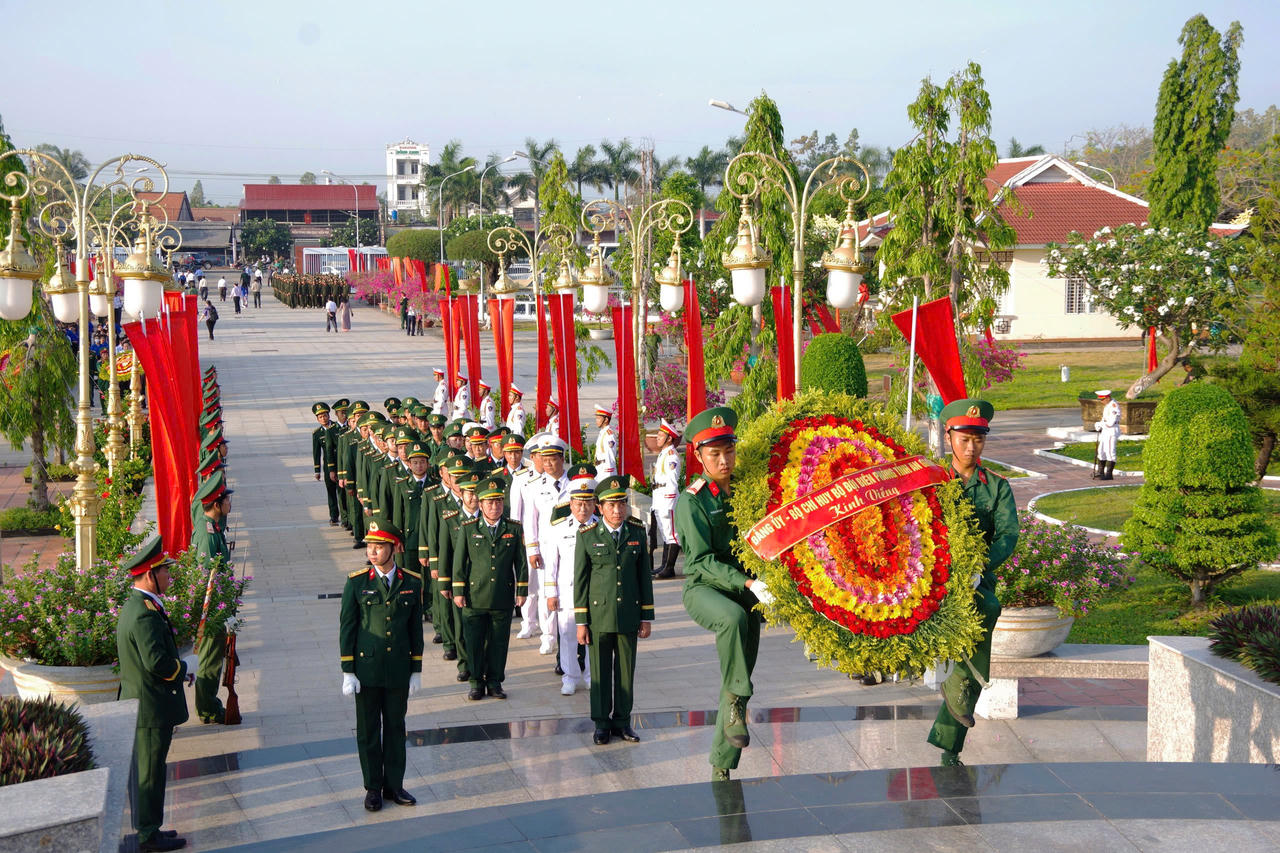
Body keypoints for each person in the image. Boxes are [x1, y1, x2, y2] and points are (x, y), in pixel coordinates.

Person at [677, 406, 773, 782]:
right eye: (714, 453)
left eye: (729, 451)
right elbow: (698, 562)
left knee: (741, 670)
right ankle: (737, 701)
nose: (723, 460)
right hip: (705, 588)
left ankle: (722, 765)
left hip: (749, 592)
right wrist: (748, 584)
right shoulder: (693, 500)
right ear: (698, 456)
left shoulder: (747, 489)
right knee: (732, 623)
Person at [927, 398, 1018, 767]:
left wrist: (981, 566)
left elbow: (1008, 535)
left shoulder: (996, 486)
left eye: (978, 439)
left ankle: (950, 745)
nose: (971, 447)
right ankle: (957, 707)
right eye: (964, 438)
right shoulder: (932, 481)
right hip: (933, 582)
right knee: (971, 665)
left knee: (985, 613)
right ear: (948, 437)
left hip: (977, 581)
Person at [117, 536, 198, 852]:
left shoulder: (138, 606)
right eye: (165, 571)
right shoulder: (144, 614)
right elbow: (158, 664)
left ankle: (151, 827)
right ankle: (148, 834)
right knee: (149, 772)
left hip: (145, 703)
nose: (169, 577)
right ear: (150, 574)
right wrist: (185, 665)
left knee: (150, 769)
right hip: (150, 707)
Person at [339, 516, 423, 812]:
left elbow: (415, 629)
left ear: (394, 548)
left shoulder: (412, 582)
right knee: (369, 731)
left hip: (398, 669)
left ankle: (394, 785)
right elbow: (348, 628)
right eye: (370, 546)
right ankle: (373, 787)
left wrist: (416, 668)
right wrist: (348, 670)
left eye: (379, 546)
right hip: (368, 670)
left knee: (396, 729)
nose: (372, 551)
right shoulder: (357, 582)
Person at [575, 475, 653, 744]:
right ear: (599, 507)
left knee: (625, 672)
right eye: (611, 505)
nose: (617, 510)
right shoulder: (587, 536)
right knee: (599, 671)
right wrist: (581, 622)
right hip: (598, 616)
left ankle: (622, 721)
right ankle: (601, 723)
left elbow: (644, 578)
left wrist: (646, 616)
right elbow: (581, 580)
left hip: (629, 614)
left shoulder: (638, 532)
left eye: (621, 504)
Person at [451, 475, 527, 700]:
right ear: (481, 504)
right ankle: (476, 682)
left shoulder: (513, 529)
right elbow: (459, 562)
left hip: (502, 596)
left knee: (498, 642)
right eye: (489, 502)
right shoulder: (468, 528)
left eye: (498, 502)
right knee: (474, 642)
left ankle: (494, 682)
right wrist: (458, 591)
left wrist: (522, 591)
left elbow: (520, 562)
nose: (495, 507)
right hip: (474, 597)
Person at [543, 476, 595, 695]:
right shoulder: (559, 528)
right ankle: (570, 677)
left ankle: (594, 677)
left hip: (595, 592)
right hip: (568, 591)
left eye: (587, 502)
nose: (583, 508)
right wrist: (550, 592)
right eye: (578, 503)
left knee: (595, 637)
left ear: (595, 504)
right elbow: (551, 563)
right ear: (570, 504)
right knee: (567, 635)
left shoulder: (601, 527)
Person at [189, 471, 234, 724]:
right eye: (226, 500)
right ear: (216, 505)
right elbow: (208, 578)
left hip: (218, 606)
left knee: (214, 658)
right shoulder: (208, 535)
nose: (229, 504)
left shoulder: (213, 529)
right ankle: (207, 708)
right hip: (212, 609)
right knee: (209, 660)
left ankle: (209, 703)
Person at [519, 436, 569, 655]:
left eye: (552, 459)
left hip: (570, 548)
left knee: (568, 592)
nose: (548, 464)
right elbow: (530, 520)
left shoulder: (575, 484)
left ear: (562, 458)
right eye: (544, 459)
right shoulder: (535, 487)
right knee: (545, 591)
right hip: (546, 548)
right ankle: (548, 636)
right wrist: (533, 549)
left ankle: (568, 633)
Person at [650, 418, 684, 579]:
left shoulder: (671, 456)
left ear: (669, 438)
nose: (657, 437)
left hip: (667, 499)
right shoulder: (664, 453)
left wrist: (669, 503)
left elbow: (672, 480)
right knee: (665, 533)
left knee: (672, 534)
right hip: (659, 497)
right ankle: (664, 565)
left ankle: (669, 568)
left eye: (660, 435)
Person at [312, 402, 341, 524]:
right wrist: (317, 470)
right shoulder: (317, 433)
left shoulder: (337, 427)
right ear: (317, 419)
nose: (323, 419)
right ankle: (334, 515)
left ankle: (345, 516)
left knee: (341, 491)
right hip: (328, 466)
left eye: (325, 416)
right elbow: (316, 452)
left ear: (329, 416)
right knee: (331, 491)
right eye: (320, 417)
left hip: (339, 463)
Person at [1093, 389, 1120, 480]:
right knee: (1101, 451)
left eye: (1102, 399)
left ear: (1107, 398)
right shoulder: (1108, 405)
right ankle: (1101, 473)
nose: (1101, 401)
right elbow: (1105, 420)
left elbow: (1110, 422)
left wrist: (1100, 424)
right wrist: (1100, 424)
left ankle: (1109, 474)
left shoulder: (1113, 406)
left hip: (1111, 431)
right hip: (1105, 431)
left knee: (1110, 452)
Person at [593, 405, 618, 478]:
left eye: (598, 418)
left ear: (606, 420)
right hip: (600, 468)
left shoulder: (609, 435)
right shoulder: (602, 432)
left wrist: (609, 473)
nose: (596, 420)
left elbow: (610, 455)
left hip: (606, 471)